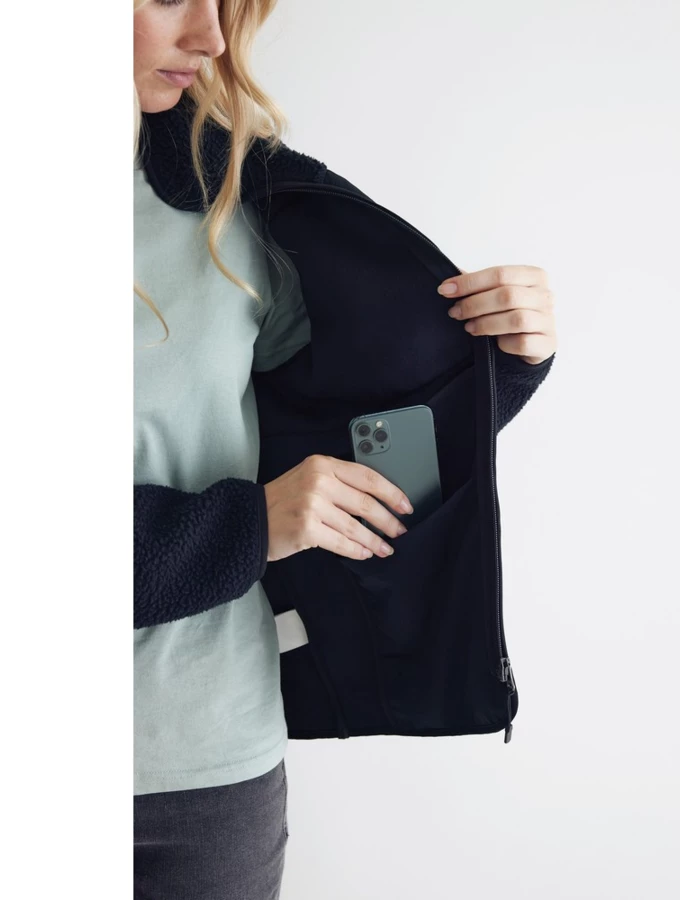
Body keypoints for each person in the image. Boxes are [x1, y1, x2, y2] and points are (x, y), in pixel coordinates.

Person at [133, 1, 559, 897]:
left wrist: (499, 366)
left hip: (212, 773)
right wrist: (248, 526)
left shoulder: (229, 195)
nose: (211, 38)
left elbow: (365, 438)